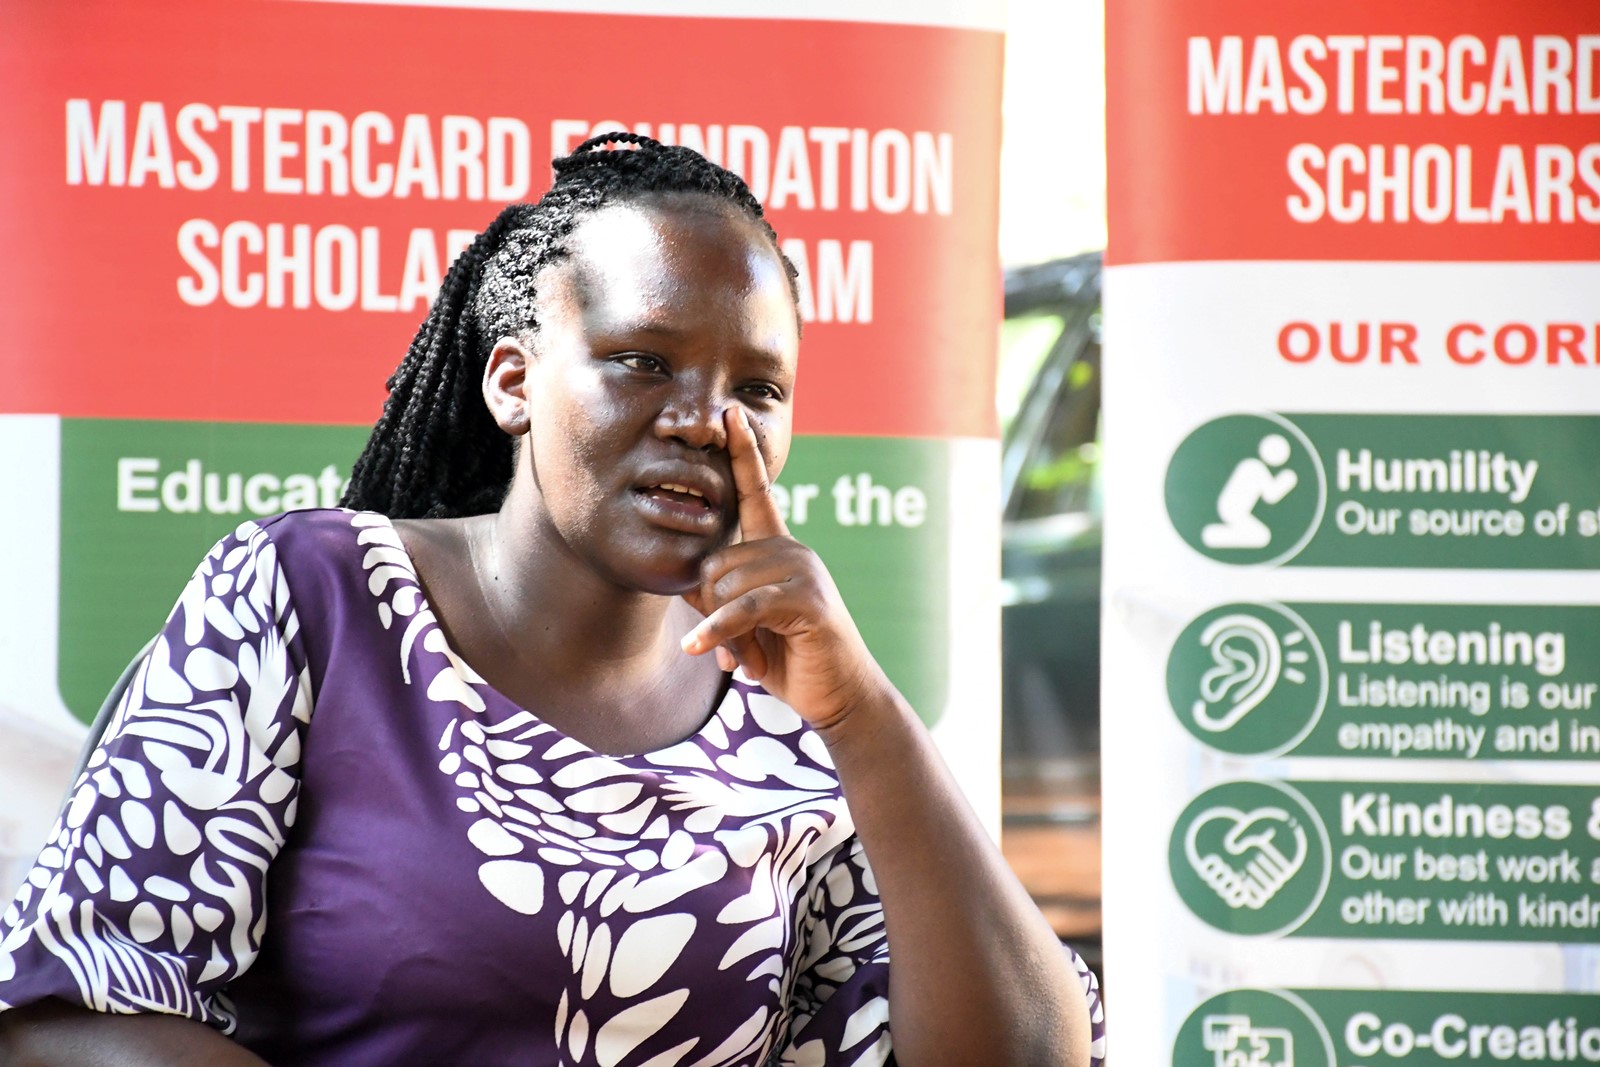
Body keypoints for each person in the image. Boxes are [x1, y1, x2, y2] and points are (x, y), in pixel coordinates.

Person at [0, 134, 1105, 1066]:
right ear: (513, 379)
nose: (706, 419)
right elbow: (70, 1009)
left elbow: (1027, 1049)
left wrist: (865, 717)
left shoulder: (794, 710)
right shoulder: (312, 599)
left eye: (758, 387)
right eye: (641, 361)